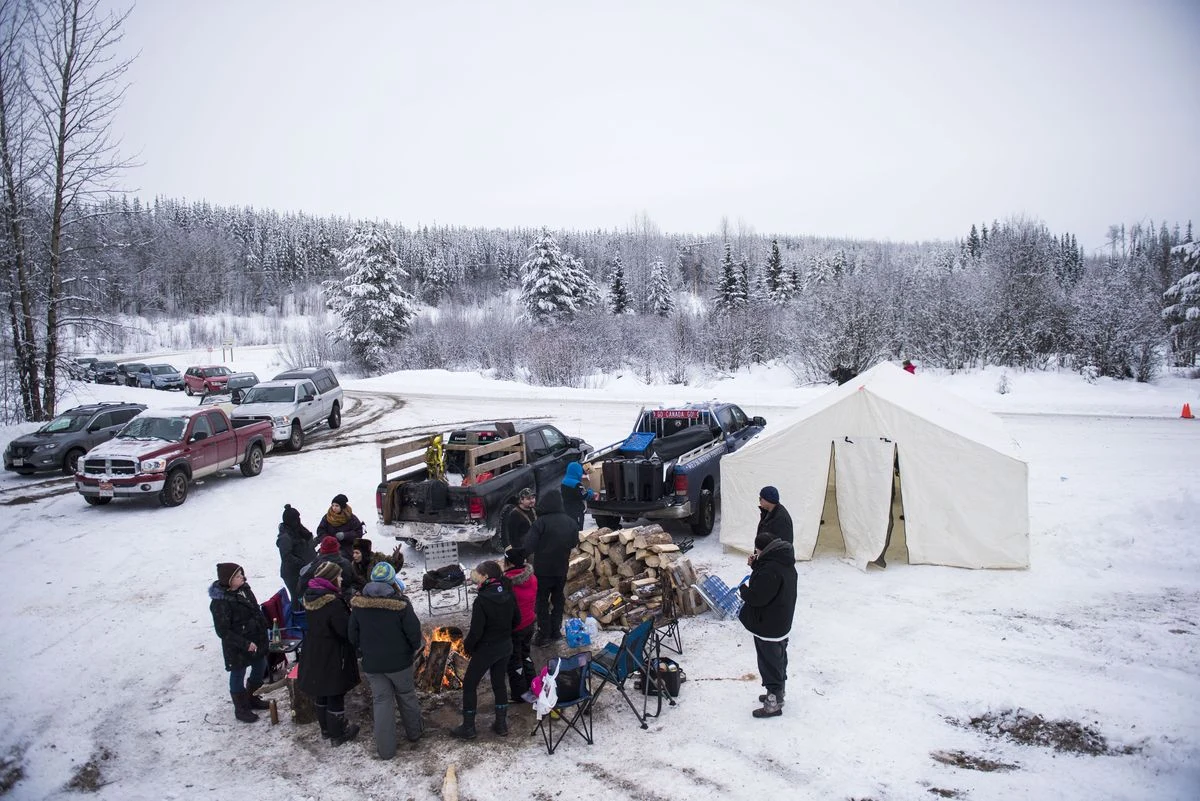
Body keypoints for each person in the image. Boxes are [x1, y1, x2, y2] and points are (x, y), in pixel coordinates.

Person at [349, 562, 424, 758]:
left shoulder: (358, 605)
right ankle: (415, 734)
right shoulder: (401, 604)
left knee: (381, 702)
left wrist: (363, 651)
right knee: (406, 696)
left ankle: (386, 750)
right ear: (392, 581)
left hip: (373, 664)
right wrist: (411, 650)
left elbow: (352, 635)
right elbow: (414, 634)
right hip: (399, 663)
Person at [450, 561, 520, 739]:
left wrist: (468, 647)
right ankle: (501, 724)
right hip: (505, 646)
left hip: (487, 648)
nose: (477, 578)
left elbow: (476, 631)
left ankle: (468, 727)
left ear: (486, 577)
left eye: (479, 575)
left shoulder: (482, 600)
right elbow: (517, 620)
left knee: (470, 684)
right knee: (498, 683)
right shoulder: (508, 593)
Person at [297, 562, 361, 746]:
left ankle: (325, 729)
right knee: (335, 691)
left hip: (314, 649)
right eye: (339, 576)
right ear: (331, 578)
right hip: (333, 652)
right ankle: (338, 733)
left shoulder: (310, 597)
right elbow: (343, 630)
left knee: (321, 691)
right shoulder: (332, 602)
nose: (341, 579)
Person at [738, 533, 798, 718]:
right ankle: (778, 693)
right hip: (781, 622)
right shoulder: (783, 561)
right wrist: (756, 565)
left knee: (769, 664)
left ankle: (773, 703)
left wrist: (744, 591)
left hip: (769, 626)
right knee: (778, 660)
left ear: (761, 549)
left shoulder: (770, 569)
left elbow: (758, 597)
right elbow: (770, 583)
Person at [208, 562, 270, 723]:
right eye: (237, 576)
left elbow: (255, 609)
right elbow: (223, 631)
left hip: (256, 637)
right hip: (236, 645)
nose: (242, 577)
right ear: (228, 580)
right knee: (238, 673)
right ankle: (241, 708)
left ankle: (253, 697)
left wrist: (264, 625)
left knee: (260, 666)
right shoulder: (219, 603)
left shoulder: (245, 590)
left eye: (241, 573)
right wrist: (244, 643)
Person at [523, 489, 579, 646]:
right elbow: (574, 542)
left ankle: (544, 634)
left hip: (543, 570)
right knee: (558, 599)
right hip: (561, 568)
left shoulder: (540, 523)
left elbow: (529, 546)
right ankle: (556, 631)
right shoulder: (570, 522)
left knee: (541, 602)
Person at [502, 548, 538, 699]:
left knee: (514, 660)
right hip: (530, 622)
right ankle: (533, 684)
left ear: (508, 563)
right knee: (526, 654)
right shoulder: (532, 578)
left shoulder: (507, 584)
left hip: (515, 627)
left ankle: (519, 694)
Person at [277, 504, 315, 603]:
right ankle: (297, 616)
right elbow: (286, 557)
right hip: (292, 574)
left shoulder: (300, 530)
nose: (298, 520)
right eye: (296, 518)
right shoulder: (285, 537)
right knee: (297, 598)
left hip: (306, 570)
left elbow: (307, 544)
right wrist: (302, 563)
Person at [298, 536, 353, 601]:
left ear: (322, 548)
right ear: (337, 547)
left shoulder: (316, 566)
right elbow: (353, 582)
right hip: (345, 600)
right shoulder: (346, 563)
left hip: (321, 602)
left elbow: (301, 586)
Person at [317, 493, 366, 560]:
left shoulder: (351, 518)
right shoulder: (327, 517)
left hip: (346, 547)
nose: (334, 508)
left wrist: (345, 535)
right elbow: (320, 530)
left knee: (340, 558)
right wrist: (328, 539)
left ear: (342, 507)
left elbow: (358, 532)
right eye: (333, 505)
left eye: (337, 506)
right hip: (329, 546)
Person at [559, 462, 595, 529]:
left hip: (567, 509)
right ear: (577, 471)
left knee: (570, 528)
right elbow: (585, 495)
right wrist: (591, 492)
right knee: (578, 529)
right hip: (577, 511)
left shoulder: (564, 481)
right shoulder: (577, 484)